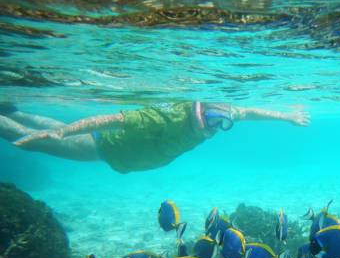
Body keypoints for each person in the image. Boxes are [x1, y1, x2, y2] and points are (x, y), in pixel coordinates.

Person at [0, 101, 310, 173]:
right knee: (38, 141)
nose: (216, 128)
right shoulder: (165, 117)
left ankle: (11, 109)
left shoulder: (218, 114)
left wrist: (286, 117)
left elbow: (250, 113)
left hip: (117, 154)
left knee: (45, 127)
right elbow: (109, 119)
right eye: (213, 122)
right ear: (197, 115)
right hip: (103, 147)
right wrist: (65, 132)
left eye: (222, 124)